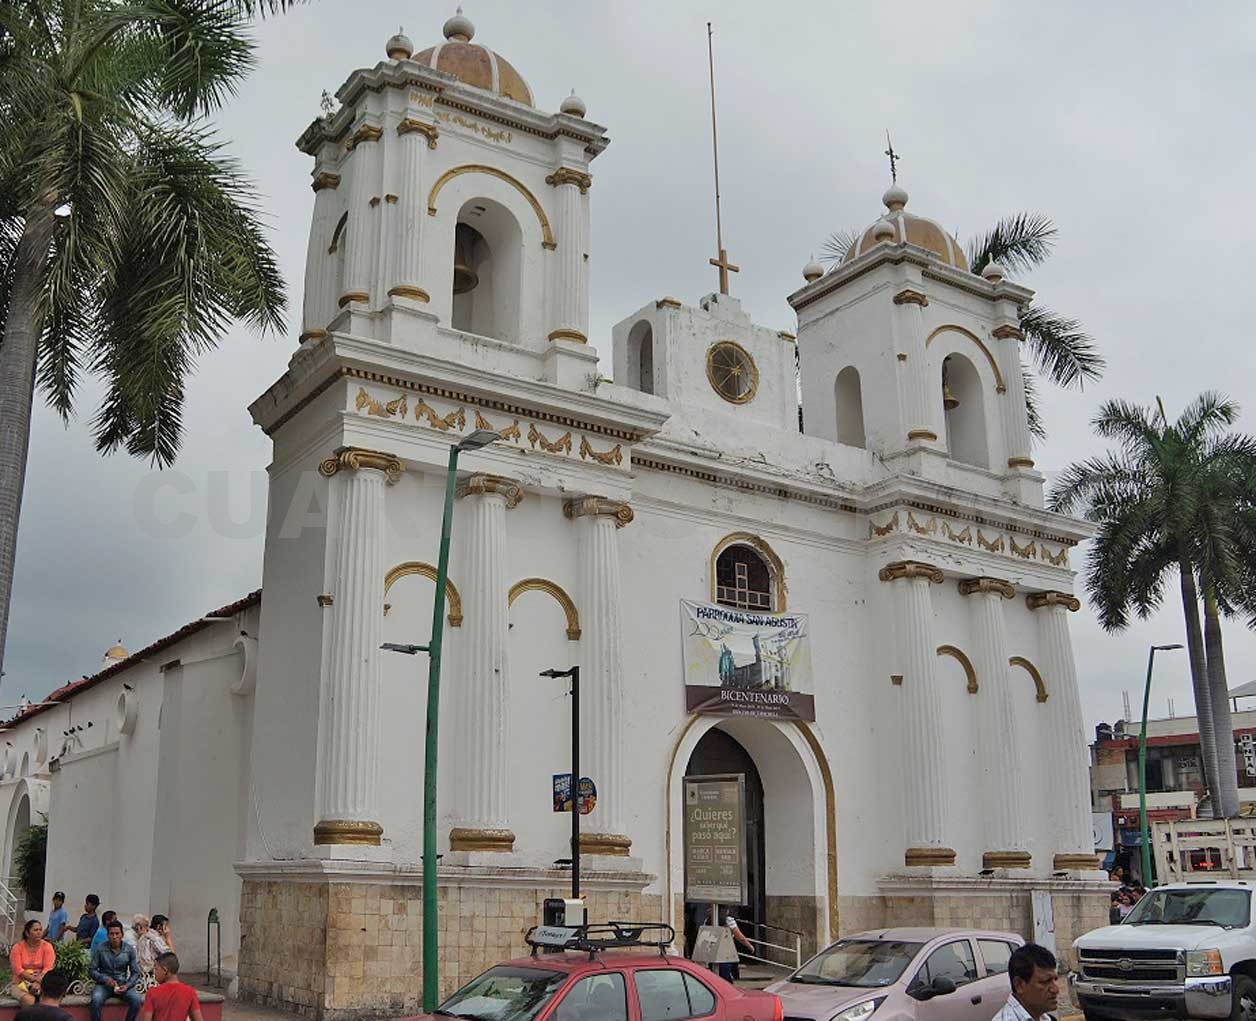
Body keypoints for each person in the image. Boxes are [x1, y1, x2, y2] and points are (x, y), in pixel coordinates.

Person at [89, 920, 144, 1021]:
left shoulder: (129, 950)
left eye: (117, 933)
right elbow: (92, 970)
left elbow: (135, 972)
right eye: (111, 934)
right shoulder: (100, 949)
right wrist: (104, 979)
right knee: (95, 1000)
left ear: (122, 935)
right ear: (107, 935)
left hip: (122, 984)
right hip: (103, 985)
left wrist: (127, 985)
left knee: (136, 1000)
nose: (114, 937)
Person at [994, 943, 1060, 1021]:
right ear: (1019, 985)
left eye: (1055, 979)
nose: (1055, 989)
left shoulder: (1045, 1018)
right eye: (1045, 981)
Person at [140, 954, 202, 1021]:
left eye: (156, 969)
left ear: (165, 970)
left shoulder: (152, 993)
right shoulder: (190, 992)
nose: (154, 973)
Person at [9, 920, 56, 1006]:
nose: (39, 932)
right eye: (35, 930)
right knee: (29, 1000)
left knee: (48, 1002)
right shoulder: (17, 947)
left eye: (40, 930)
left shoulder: (47, 946)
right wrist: (34, 980)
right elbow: (18, 970)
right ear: (27, 933)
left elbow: (48, 968)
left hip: (42, 983)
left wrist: (38, 982)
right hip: (20, 984)